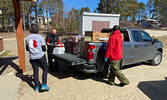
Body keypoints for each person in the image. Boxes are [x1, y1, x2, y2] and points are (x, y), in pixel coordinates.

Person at [26, 24, 50, 92]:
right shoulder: (40, 37)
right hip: (40, 56)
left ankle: (36, 86)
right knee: (45, 69)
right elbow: (44, 48)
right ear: (37, 29)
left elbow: (27, 48)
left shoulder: (27, 38)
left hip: (32, 57)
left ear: (30, 30)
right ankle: (44, 85)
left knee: (35, 70)